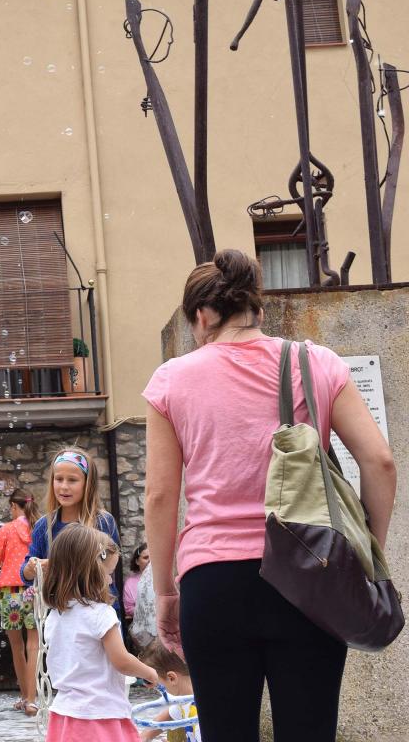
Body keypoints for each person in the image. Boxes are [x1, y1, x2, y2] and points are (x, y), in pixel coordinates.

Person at [143, 249, 398, 742]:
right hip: (310, 575)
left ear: (201, 316)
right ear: (256, 308)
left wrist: (165, 591)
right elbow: (380, 462)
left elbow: (159, 495)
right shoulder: (316, 363)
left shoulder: (172, 380)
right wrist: (366, 552)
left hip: (211, 580)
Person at [42, 524, 160, 742]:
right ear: (90, 572)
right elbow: (121, 660)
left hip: (65, 715)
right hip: (99, 715)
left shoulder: (56, 616)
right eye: (108, 573)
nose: (110, 581)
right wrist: (149, 672)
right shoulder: (100, 614)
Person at [20, 447, 120, 586]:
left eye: (72, 480)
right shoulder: (44, 525)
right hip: (57, 606)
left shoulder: (103, 522)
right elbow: (26, 575)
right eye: (59, 479)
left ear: (88, 484)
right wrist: (31, 568)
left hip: (98, 605)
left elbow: (110, 567)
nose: (64, 486)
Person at [0, 487, 40, 716]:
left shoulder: (6, 530)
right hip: (35, 590)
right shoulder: (40, 527)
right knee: (34, 644)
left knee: (17, 647)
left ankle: (23, 695)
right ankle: (32, 699)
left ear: (15, 506)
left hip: (11, 592)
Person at [139, 640, 201, 742]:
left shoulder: (200, 715)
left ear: (171, 678)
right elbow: (169, 714)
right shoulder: (185, 701)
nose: (152, 687)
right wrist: (143, 737)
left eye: (154, 682)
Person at [129, 555, 157, 651]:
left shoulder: (147, 576)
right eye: (145, 557)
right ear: (137, 561)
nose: (148, 560)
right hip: (148, 632)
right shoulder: (141, 580)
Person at [122, 542, 149, 620]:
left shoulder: (161, 579)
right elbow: (128, 608)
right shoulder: (130, 583)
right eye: (146, 557)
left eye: (152, 557)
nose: (150, 561)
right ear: (137, 561)